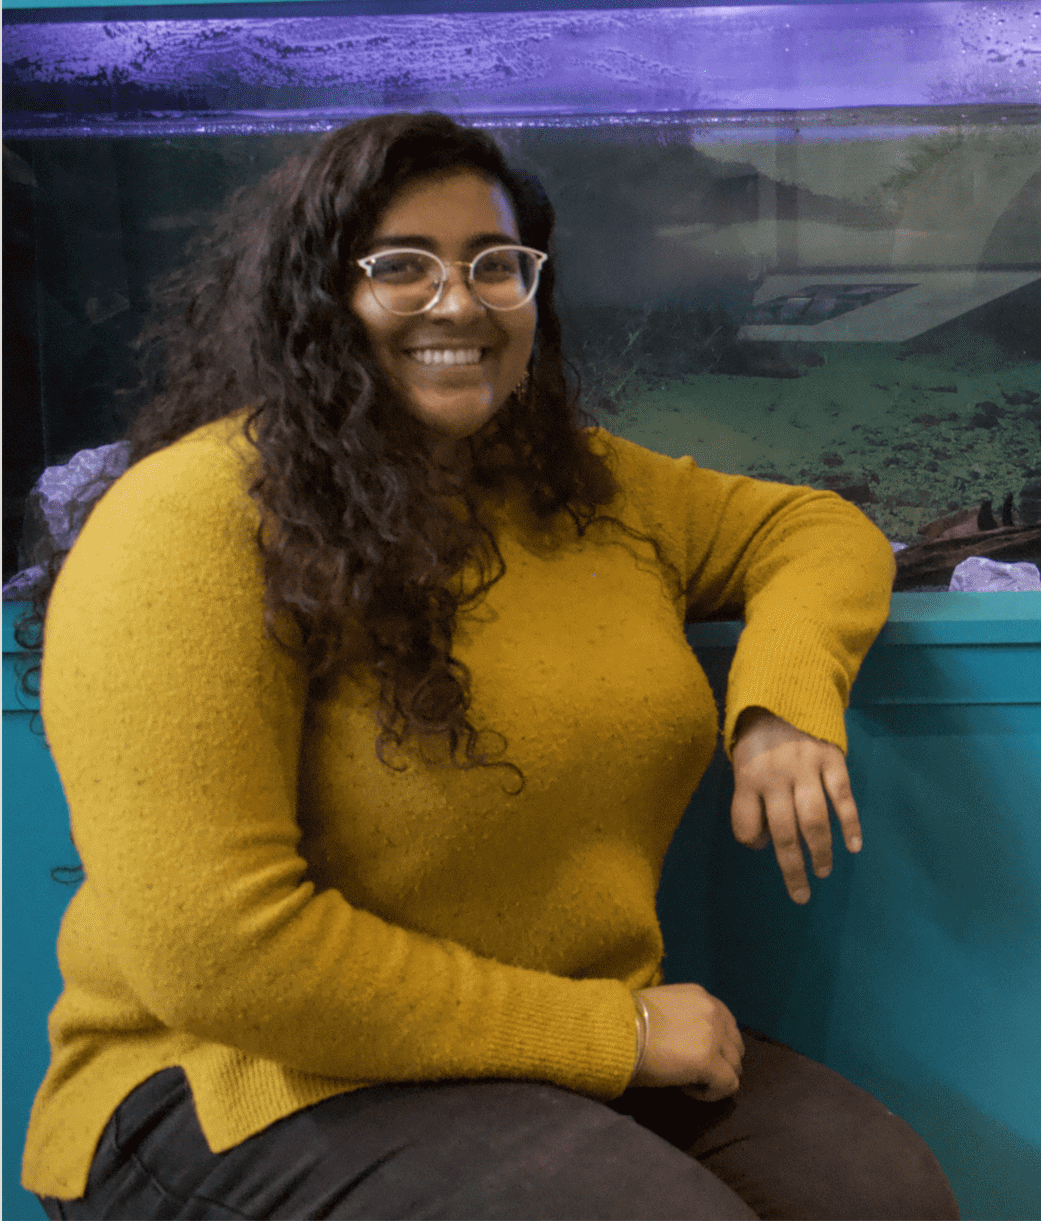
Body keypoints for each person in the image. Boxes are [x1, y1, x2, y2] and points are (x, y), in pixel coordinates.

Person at [19, 113, 959, 1219]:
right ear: (314, 297)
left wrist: (781, 705)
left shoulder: (568, 483)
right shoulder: (188, 522)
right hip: (236, 1076)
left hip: (538, 1051)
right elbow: (221, 957)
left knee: (879, 1193)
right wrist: (613, 1035)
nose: (459, 301)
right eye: (401, 266)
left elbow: (811, 528)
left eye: (494, 265)